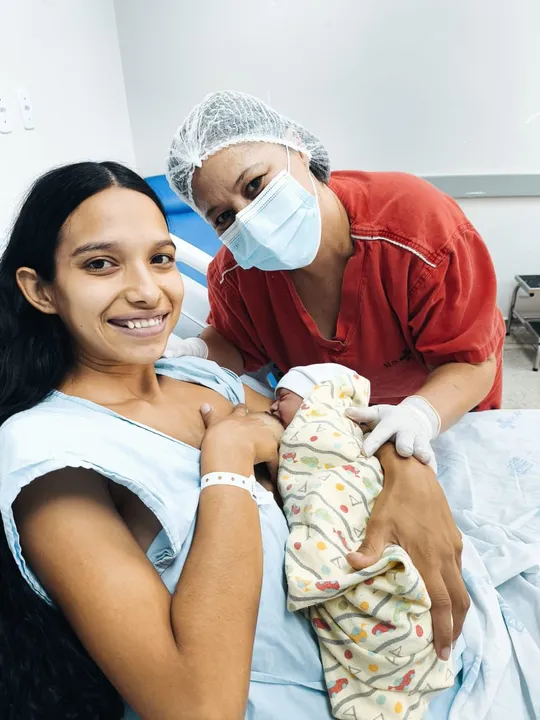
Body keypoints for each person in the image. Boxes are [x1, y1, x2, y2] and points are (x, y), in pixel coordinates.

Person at [0, 161, 453, 719]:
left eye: (160, 258)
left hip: (384, 645)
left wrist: (407, 471)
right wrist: (229, 465)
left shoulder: (200, 379)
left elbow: (330, 427)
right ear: (40, 290)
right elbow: (198, 708)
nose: (148, 292)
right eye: (101, 264)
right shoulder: (50, 456)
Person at [164, 89, 483, 657]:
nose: (247, 219)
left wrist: (419, 417)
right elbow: (234, 342)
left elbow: (470, 360)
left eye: (256, 184)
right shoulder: (237, 275)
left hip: (443, 423)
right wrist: (190, 354)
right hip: (341, 441)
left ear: (299, 151)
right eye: (222, 217)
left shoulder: (413, 224)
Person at [271, 363, 453, 719]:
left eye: (283, 397)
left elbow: (341, 460)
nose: (273, 407)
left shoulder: (327, 424)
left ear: (317, 397)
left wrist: (418, 416)